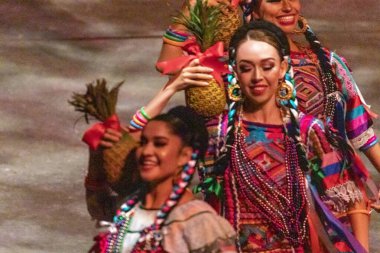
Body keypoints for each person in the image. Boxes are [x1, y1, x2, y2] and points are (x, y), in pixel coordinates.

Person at [92, 20, 370, 252]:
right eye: (246, 68)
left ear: (283, 68)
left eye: (267, 66)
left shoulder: (310, 132)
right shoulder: (218, 132)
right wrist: (171, 88)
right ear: (234, 72)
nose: (257, 77)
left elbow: (347, 202)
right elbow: (140, 141)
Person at [156, 0, 380, 212]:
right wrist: (193, 5)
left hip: (332, 202)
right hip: (251, 203)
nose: (287, 7)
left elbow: (362, 133)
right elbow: (168, 65)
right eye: (273, 0)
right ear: (251, 8)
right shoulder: (230, 71)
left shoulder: (327, 63)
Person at [87, 106, 236, 252]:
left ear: (185, 156)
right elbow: (96, 206)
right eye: (143, 142)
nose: (146, 151)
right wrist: (96, 156)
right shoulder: (128, 208)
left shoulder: (198, 220)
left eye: (160, 144)